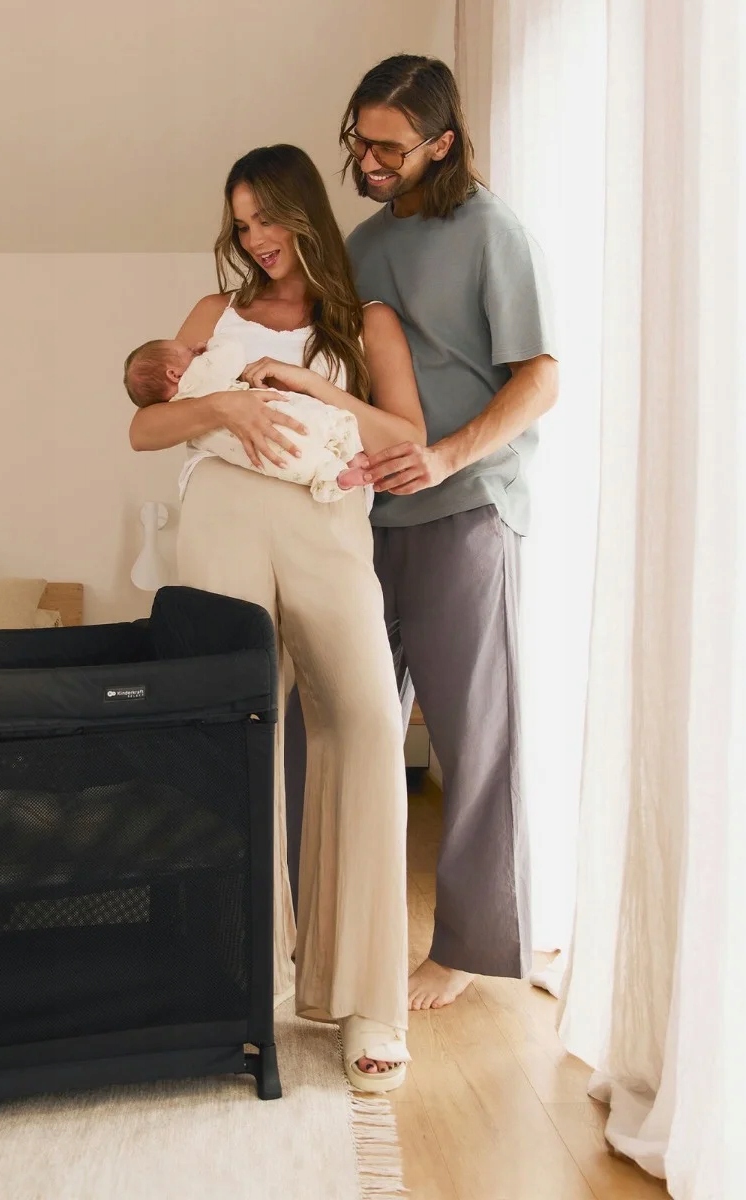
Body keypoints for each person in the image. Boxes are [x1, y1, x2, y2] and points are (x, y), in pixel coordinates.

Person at [128, 142, 427, 1091]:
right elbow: (144, 424)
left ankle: (365, 996)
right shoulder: (214, 313)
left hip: (329, 525)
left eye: (267, 218)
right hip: (222, 513)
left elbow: (405, 436)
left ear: (304, 214)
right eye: (242, 223)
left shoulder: (366, 320)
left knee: (367, 723)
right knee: (233, 734)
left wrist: (312, 388)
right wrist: (225, 407)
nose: (256, 238)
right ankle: (239, 981)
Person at [339, 54, 558, 1010]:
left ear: (442, 144)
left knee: (474, 740)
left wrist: (445, 458)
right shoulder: (359, 245)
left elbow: (540, 377)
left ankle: (469, 947)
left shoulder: (492, 232)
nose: (369, 160)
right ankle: (331, 929)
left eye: (389, 147)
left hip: (468, 510)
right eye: (360, 140)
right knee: (345, 728)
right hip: (365, 519)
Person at [122, 335, 371, 502]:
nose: (193, 350)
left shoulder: (182, 413)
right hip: (273, 421)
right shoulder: (196, 377)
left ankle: (337, 477)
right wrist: (212, 345)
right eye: (187, 351)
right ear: (174, 375)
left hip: (256, 456)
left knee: (301, 463)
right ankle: (350, 452)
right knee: (314, 421)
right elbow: (232, 353)